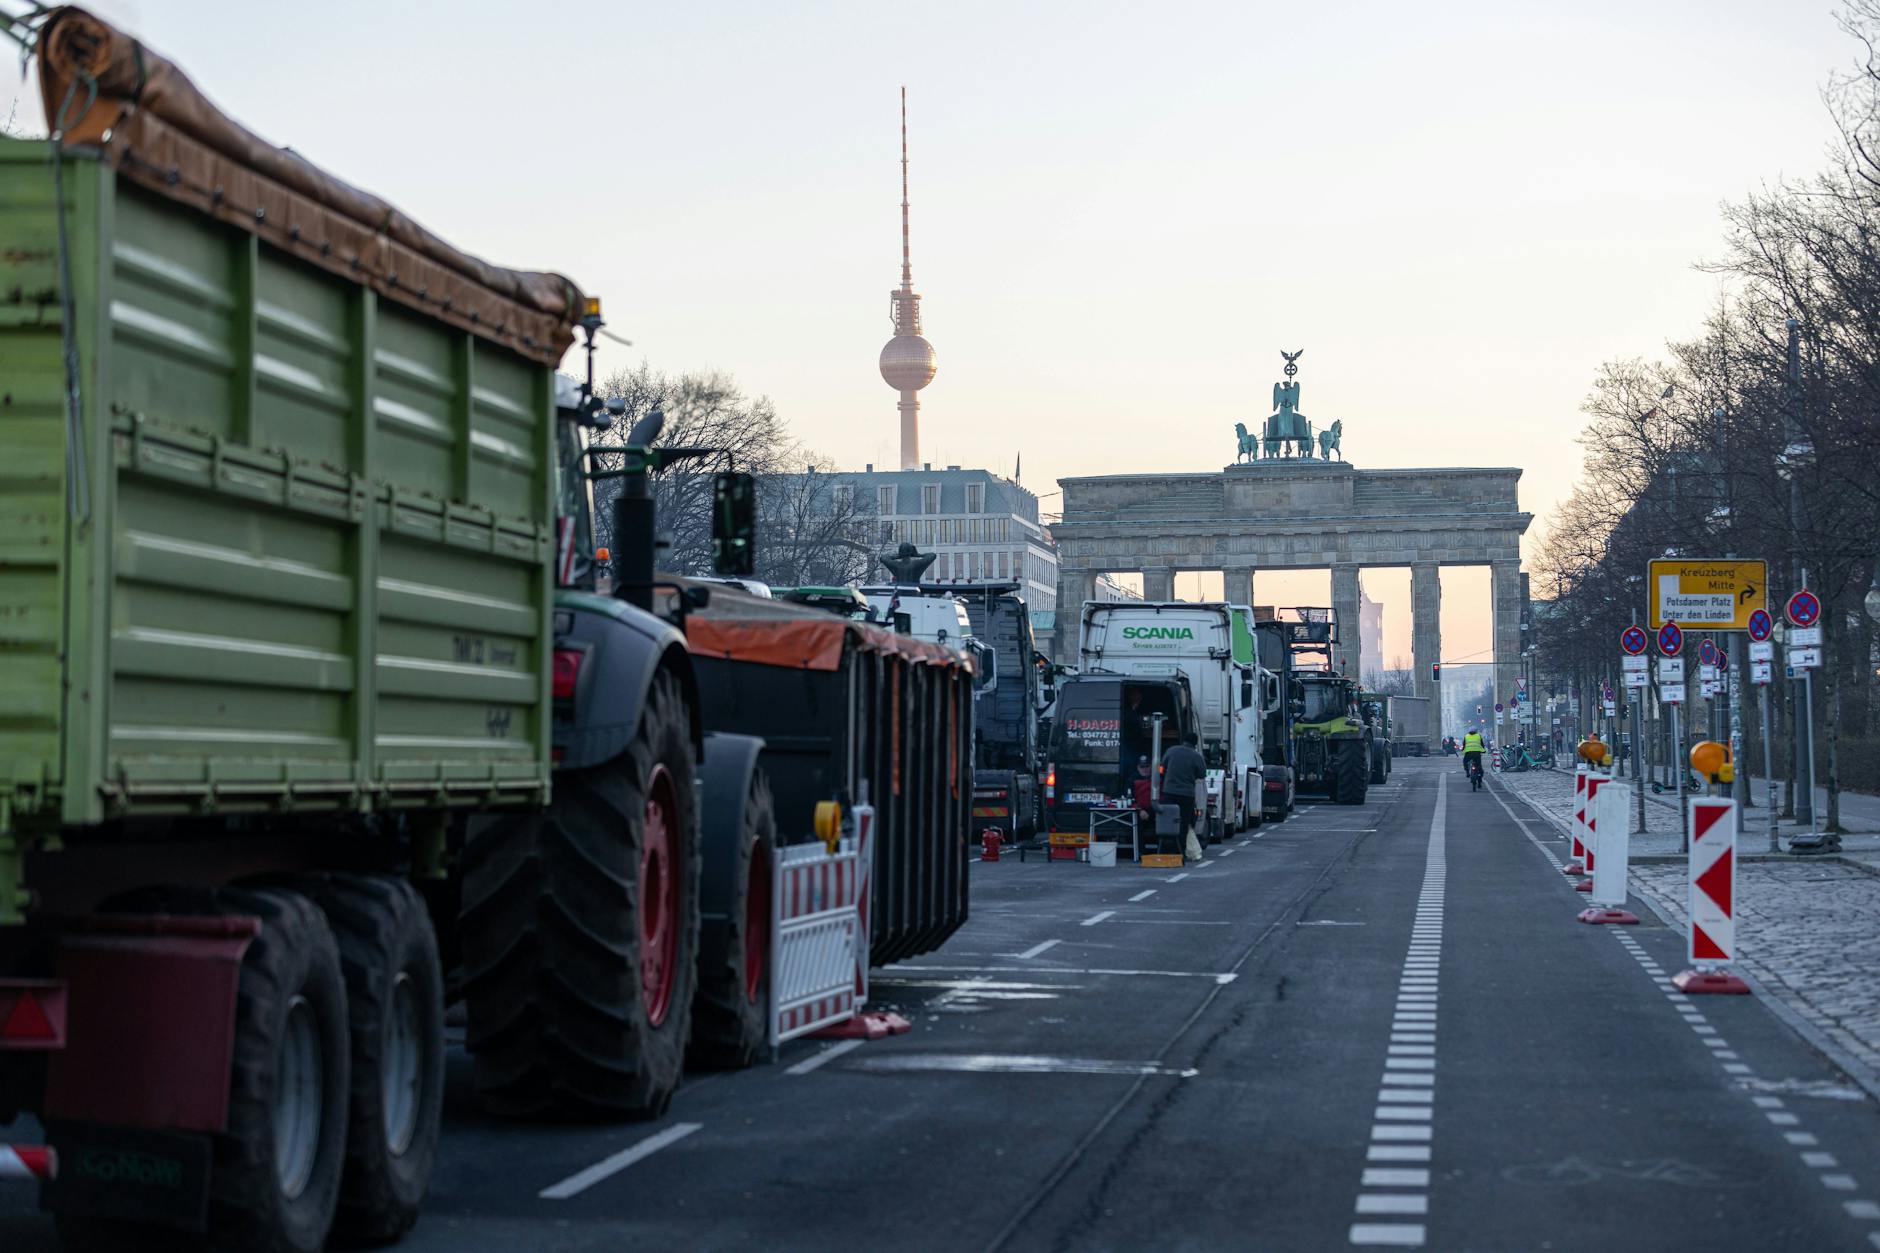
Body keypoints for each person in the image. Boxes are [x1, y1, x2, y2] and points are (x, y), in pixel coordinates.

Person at [1161, 732, 1209, 863]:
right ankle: (1180, 851)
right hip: (1186, 795)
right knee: (1183, 824)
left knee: (1168, 822)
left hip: (1169, 792)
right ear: (1195, 743)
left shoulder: (1171, 751)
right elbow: (1202, 774)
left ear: (1183, 740)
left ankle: (1166, 849)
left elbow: (1161, 768)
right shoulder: (1196, 756)